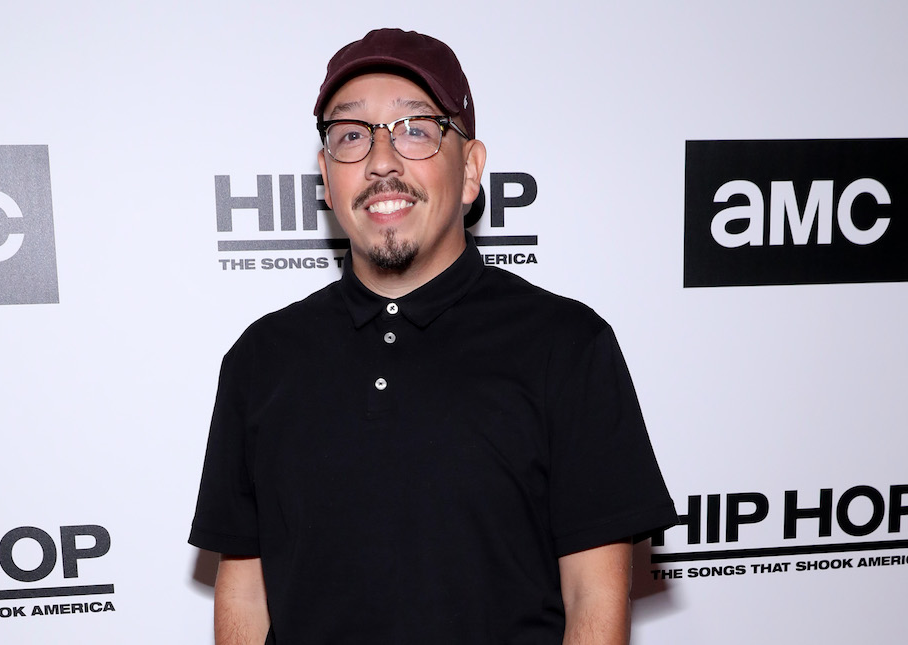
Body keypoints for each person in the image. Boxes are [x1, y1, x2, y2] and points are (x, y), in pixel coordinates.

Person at [190, 28, 677, 645]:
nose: (381, 162)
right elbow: (246, 589)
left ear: (470, 169)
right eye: (350, 136)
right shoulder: (260, 358)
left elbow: (594, 600)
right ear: (326, 177)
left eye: (415, 129)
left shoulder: (568, 345)